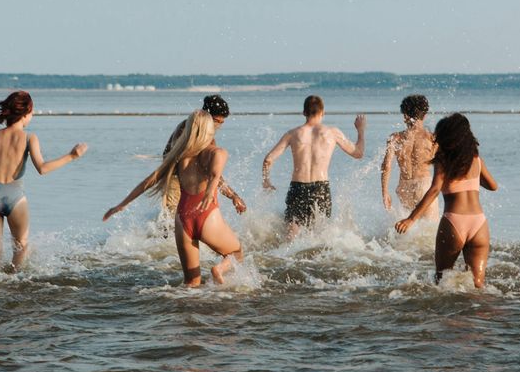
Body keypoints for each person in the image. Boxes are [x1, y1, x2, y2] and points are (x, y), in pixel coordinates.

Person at [103, 110, 243, 286]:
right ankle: (219, 270)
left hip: (183, 219)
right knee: (236, 254)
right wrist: (212, 191)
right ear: (209, 128)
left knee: (192, 281)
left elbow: (149, 181)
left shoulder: (178, 156)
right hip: (207, 214)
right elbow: (216, 173)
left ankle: (183, 312)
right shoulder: (214, 152)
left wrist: (121, 204)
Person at [0, 91, 88, 274]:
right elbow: (43, 168)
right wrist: (71, 156)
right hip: (15, 199)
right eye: (32, 112)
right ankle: (14, 280)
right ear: (26, 113)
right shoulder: (30, 138)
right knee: (21, 246)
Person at [395, 113, 498, 288]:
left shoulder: (443, 161)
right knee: (478, 284)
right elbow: (493, 186)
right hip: (479, 224)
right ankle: (478, 315)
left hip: (454, 222)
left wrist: (411, 218)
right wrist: (472, 178)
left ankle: (445, 315)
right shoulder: (476, 160)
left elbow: (434, 189)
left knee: (441, 279)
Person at [262, 95, 366, 238]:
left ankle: (287, 259)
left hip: (298, 187)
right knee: (319, 236)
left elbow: (268, 159)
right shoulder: (332, 133)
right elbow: (358, 153)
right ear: (323, 112)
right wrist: (360, 130)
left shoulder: (292, 134)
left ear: (304, 113)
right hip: (320, 188)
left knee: (291, 234)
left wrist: (266, 181)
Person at [161, 95, 246, 216]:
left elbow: (214, 174)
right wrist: (232, 196)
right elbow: (213, 173)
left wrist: (233, 196)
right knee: (173, 221)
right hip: (174, 180)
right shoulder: (189, 130)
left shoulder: (200, 132)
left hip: (189, 182)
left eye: (221, 123)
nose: (218, 127)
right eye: (216, 121)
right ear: (206, 115)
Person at [381, 94, 438, 221]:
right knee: (430, 230)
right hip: (423, 186)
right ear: (425, 114)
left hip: (403, 188)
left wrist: (385, 192)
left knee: (408, 229)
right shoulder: (431, 138)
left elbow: (386, 166)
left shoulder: (395, 138)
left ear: (405, 115)